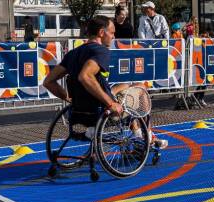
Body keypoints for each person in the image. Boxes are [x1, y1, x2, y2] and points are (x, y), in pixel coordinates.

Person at [43, 15, 167, 149]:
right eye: (112, 33)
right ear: (102, 33)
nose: (114, 37)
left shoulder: (73, 53)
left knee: (127, 86)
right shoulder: (101, 50)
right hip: (102, 110)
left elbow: (48, 82)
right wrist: (110, 103)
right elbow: (85, 76)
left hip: (79, 111)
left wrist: (70, 99)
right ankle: (147, 136)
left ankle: (137, 134)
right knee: (141, 89)